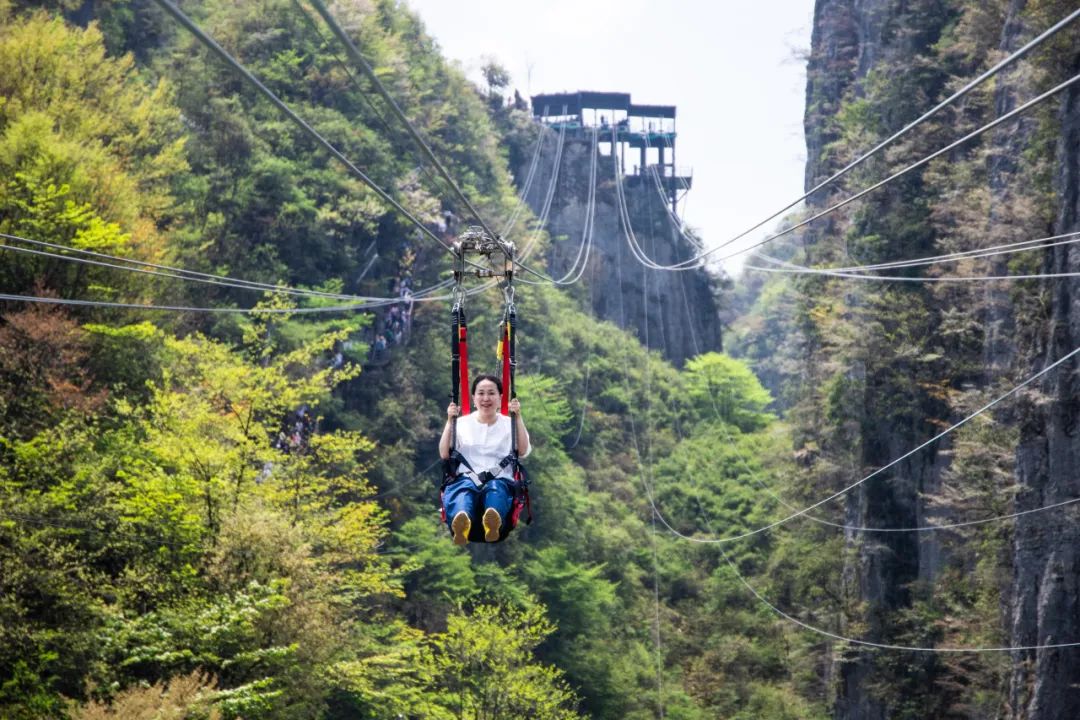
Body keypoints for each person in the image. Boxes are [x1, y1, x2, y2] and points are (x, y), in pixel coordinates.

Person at [439, 374, 531, 545]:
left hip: (499, 479)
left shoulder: (509, 424)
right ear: (474, 398)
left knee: (496, 489)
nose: (486, 398)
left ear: (500, 398)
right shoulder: (461, 424)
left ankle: (492, 521)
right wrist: (450, 421)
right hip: (465, 478)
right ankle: (462, 521)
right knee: (463, 491)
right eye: (481, 393)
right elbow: (444, 453)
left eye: (491, 393)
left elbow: (523, 450)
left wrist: (517, 416)